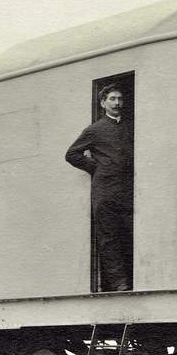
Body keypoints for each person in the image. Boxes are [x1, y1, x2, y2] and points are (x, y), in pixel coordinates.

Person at [65, 84, 133, 291]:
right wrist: (97, 167)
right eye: (112, 99)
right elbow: (72, 154)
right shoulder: (95, 129)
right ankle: (118, 283)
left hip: (127, 190)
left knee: (127, 234)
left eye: (119, 99)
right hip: (105, 191)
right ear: (103, 103)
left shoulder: (129, 127)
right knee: (108, 238)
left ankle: (130, 279)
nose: (117, 103)